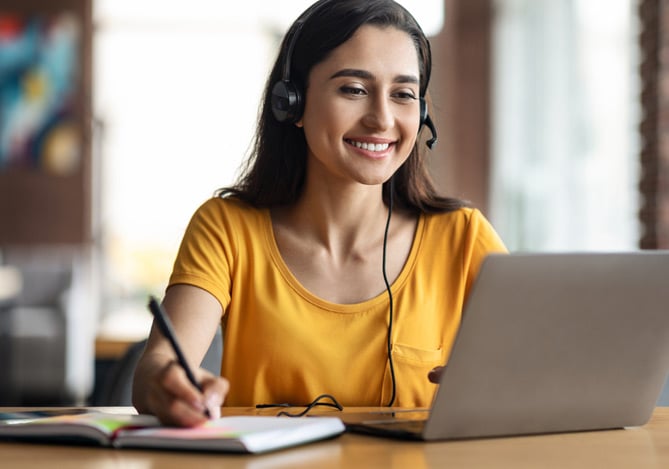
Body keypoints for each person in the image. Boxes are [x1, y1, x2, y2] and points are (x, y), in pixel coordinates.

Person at [132, 0, 507, 427]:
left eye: (403, 94)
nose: (382, 119)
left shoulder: (462, 237)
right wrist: (169, 384)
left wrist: (509, 383)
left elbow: (540, 365)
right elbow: (156, 368)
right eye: (354, 89)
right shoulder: (227, 228)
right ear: (290, 104)